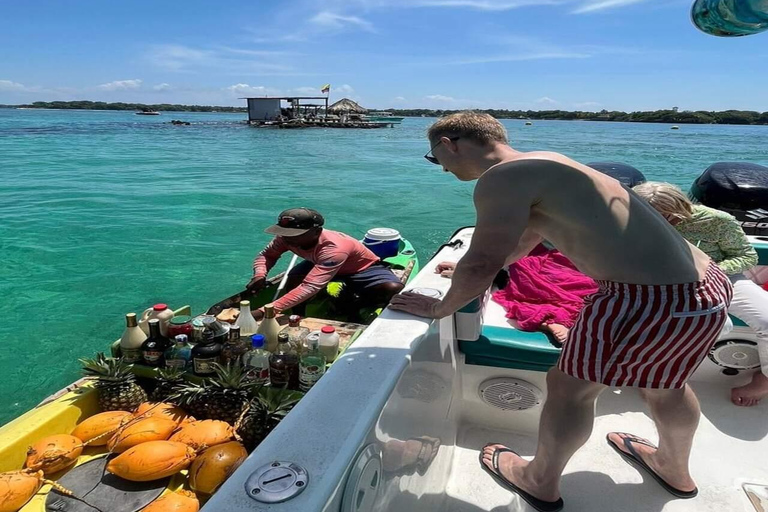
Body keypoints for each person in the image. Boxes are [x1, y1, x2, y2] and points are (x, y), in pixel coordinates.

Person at [388, 112, 731, 511]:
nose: (442, 168)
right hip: (706, 285)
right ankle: (673, 468)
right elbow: (529, 238)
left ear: (448, 144)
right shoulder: (548, 161)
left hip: (645, 299)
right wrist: (492, 266)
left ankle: (539, 480)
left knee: (570, 390)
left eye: (435, 158)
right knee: (666, 384)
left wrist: (439, 307)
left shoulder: (499, 178)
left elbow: (480, 263)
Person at [634, 181, 767, 407]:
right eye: (647, 217)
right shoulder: (629, 221)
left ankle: (764, 380)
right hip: (659, 282)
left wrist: (709, 270)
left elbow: (747, 257)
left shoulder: (717, 221)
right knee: (694, 324)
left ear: (681, 207)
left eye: (666, 217)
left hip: (719, 277)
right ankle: (658, 378)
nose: (657, 224)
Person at [247, 208, 404, 318]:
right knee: (294, 278)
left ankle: (356, 304)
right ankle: (298, 314)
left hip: (359, 269)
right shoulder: (285, 238)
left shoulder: (335, 247)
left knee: (393, 289)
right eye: (284, 233)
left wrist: (264, 311)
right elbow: (267, 255)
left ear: (316, 232)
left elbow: (309, 286)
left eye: (295, 235)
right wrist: (260, 274)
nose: (287, 239)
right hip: (319, 263)